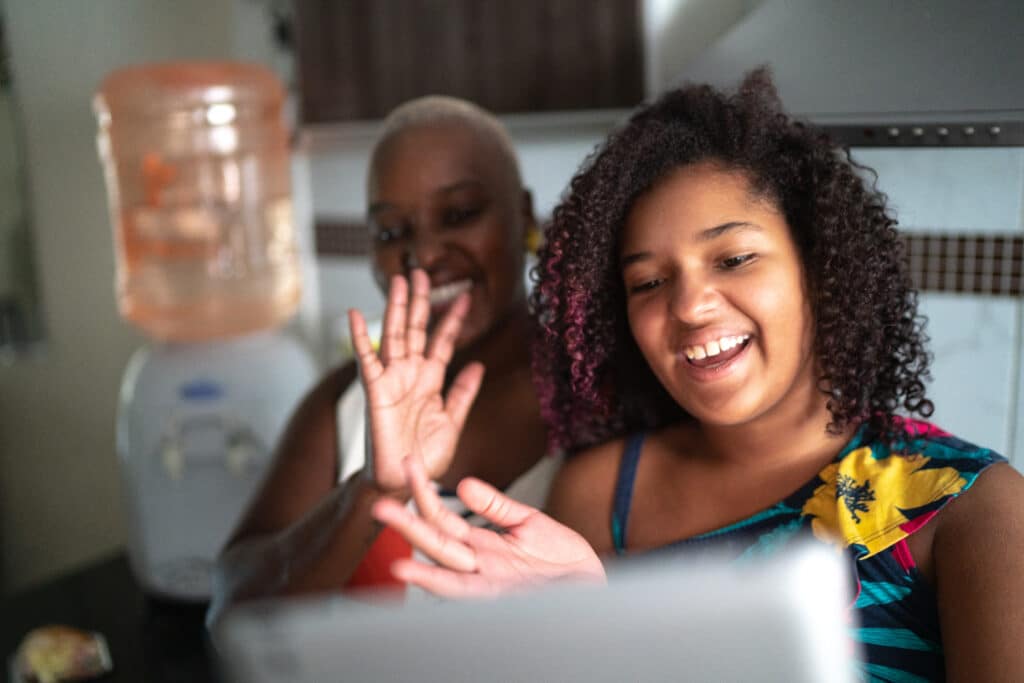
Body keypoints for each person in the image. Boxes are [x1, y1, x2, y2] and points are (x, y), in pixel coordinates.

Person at [370, 71, 1024, 681]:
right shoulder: (599, 494)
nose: (687, 305)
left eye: (734, 257)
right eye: (648, 281)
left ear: (819, 266)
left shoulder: (974, 509)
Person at [208, 96, 557, 621]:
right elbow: (232, 612)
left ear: (524, 215)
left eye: (459, 214)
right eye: (393, 232)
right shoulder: (344, 405)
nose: (426, 254)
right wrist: (373, 490)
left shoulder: (598, 388)